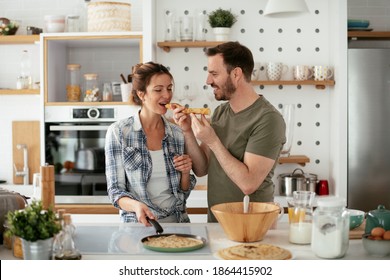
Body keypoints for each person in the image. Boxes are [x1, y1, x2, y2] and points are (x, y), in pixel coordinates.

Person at [172, 41, 286, 222]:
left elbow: (248, 184)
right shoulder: (221, 112)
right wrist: (187, 131)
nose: (208, 81)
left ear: (236, 74)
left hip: (251, 225)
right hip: (217, 222)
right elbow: (201, 169)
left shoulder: (268, 119)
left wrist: (213, 141)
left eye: (214, 74)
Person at [105, 62, 196, 226]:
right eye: (158, 89)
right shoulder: (119, 132)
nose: (167, 95)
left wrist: (185, 173)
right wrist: (136, 206)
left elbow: (184, 191)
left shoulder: (177, 133)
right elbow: (115, 191)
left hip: (178, 223)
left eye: (169, 88)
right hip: (138, 225)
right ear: (142, 94)